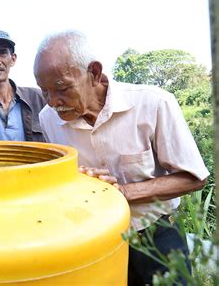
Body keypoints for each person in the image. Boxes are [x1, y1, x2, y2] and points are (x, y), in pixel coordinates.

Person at [33, 30, 209, 285]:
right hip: (97, 239)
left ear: (93, 73)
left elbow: (194, 178)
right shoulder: (48, 119)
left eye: (61, 88)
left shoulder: (153, 104)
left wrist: (122, 191)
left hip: (156, 232)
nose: (52, 102)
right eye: (44, 91)